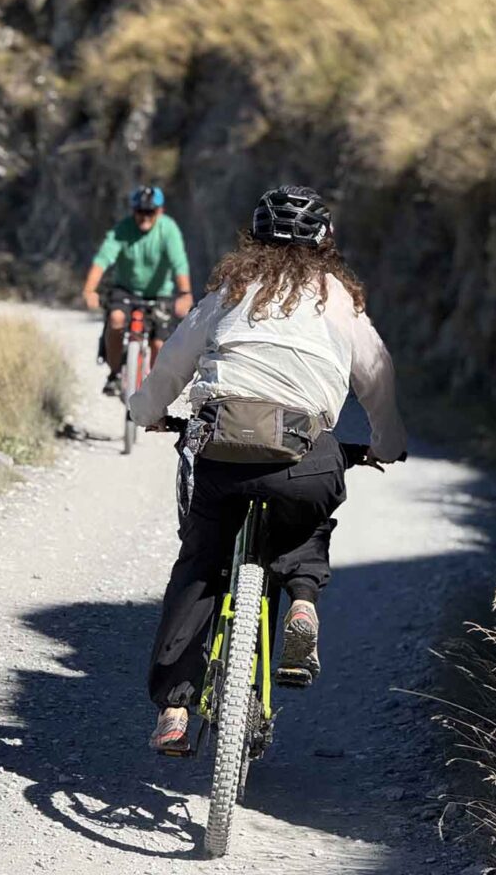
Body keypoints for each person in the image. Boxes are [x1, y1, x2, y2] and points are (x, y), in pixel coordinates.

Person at [128, 185, 407, 751]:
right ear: (326, 243)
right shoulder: (339, 300)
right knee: (307, 518)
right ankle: (302, 600)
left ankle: (175, 713)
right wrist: (386, 444)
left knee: (201, 566)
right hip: (302, 455)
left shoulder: (228, 292)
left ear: (252, 239)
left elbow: (171, 366)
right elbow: (377, 376)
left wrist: (148, 414)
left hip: (220, 451)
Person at [82, 186, 194, 396]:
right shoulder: (122, 229)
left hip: (159, 293)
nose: (144, 217)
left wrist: (185, 294)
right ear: (133, 210)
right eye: (140, 211)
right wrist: (89, 290)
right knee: (115, 319)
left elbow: (179, 263)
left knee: (160, 344)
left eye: (150, 212)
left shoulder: (168, 229)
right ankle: (115, 374)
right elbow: (102, 260)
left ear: (160, 211)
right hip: (126, 290)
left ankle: (154, 389)